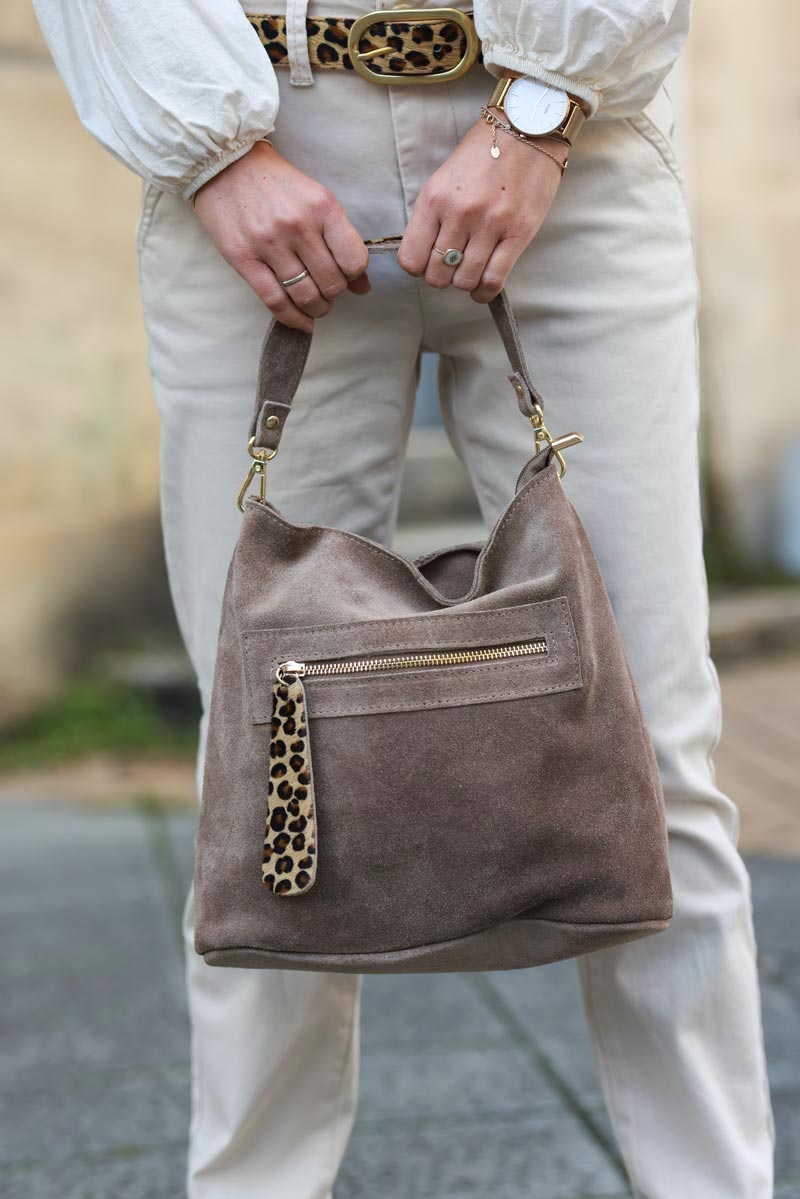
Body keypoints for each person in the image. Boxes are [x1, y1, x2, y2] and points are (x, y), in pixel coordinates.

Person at [32, 0, 775, 1195]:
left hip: (565, 136)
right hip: (258, 136)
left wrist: (536, 113)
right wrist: (210, 146)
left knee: (652, 744)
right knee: (260, 763)